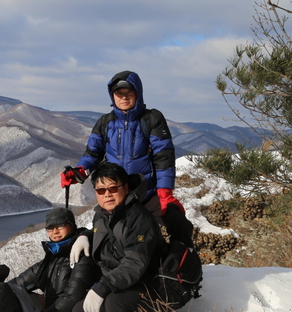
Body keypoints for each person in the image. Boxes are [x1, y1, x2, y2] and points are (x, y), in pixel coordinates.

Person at [61, 70, 193, 246]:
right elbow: (93, 154)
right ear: (112, 96)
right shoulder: (105, 123)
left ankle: (184, 258)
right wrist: (79, 171)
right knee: (111, 241)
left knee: (177, 222)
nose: (124, 97)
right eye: (119, 93)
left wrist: (165, 193)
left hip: (147, 194)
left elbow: (164, 157)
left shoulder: (151, 119)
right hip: (116, 196)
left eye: (129, 92)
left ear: (138, 93)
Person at [70, 162, 170, 312]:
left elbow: (135, 263)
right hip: (121, 285)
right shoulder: (101, 216)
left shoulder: (139, 218)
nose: (107, 194)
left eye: (113, 188)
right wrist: (84, 235)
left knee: (114, 304)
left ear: (126, 187)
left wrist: (103, 285)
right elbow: (104, 232)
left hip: (150, 287)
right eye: (101, 190)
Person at [10, 207, 100, 312]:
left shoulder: (83, 253)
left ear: (72, 225)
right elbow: (22, 281)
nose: (55, 231)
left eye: (60, 226)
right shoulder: (53, 256)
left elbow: (72, 297)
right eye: (50, 228)